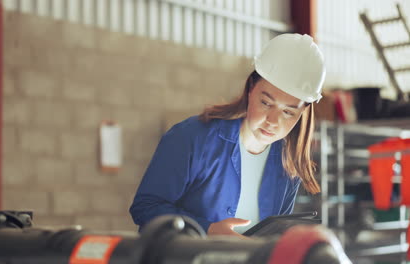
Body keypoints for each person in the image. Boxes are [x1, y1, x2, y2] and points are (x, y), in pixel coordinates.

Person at [129, 33, 326, 237]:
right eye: (266, 103)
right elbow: (145, 208)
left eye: (288, 112)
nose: (273, 121)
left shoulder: (288, 165)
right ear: (250, 89)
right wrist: (207, 230)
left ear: (302, 114)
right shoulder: (193, 138)